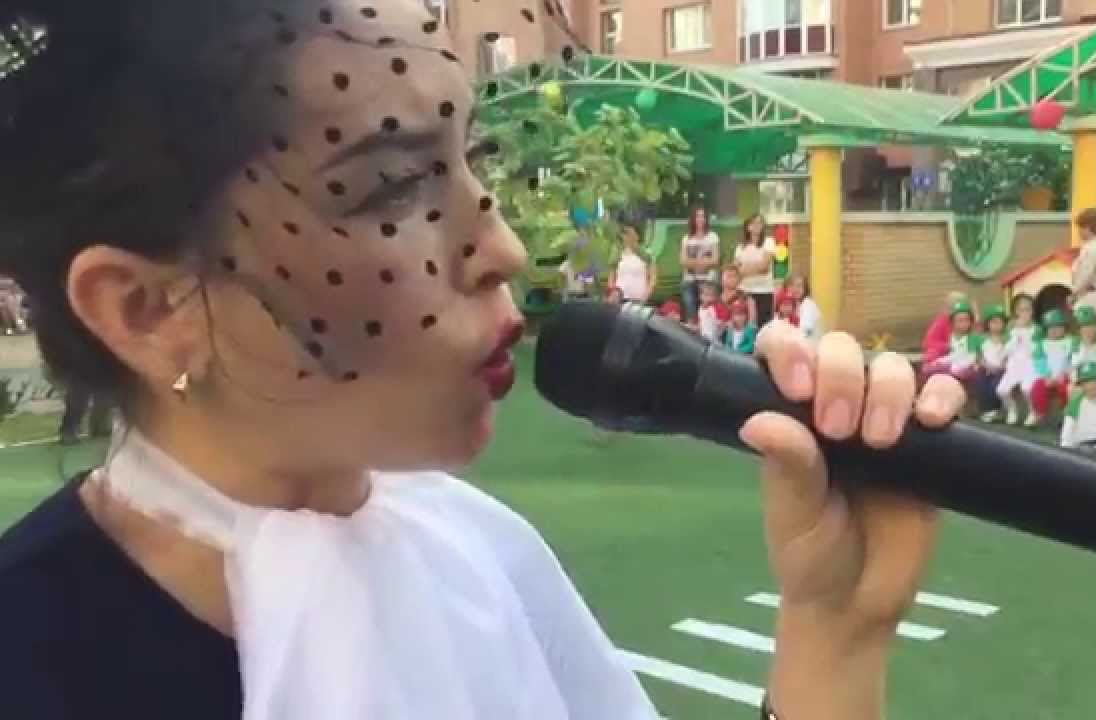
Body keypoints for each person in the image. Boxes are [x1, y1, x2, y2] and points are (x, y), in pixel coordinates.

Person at [0, 3, 970, 719]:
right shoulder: (33, 661)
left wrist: (832, 638)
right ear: (148, 309)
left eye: (475, 161)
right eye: (391, 188)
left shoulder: (471, 552)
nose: (500, 247)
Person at [997, 294, 1040, 426]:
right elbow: (1006, 349)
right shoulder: (1011, 329)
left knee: (1027, 388)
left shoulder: (1037, 329)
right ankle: (1012, 410)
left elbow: (1036, 350)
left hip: (1030, 366)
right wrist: (1016, 334)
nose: (1025, 313)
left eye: (1028, 309)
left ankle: (1033, 412)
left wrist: (1024, 335)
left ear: (1032, 311)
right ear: (1016, 311)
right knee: (1001, 390)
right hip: (1013, 366)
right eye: (1021, 310)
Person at [1027, 310, 1074, 428]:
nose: (1055, 330)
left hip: (1064, 376)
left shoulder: (1070, 342)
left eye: (1058, 327)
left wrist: (1066, 373)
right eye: (1051, 327)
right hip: (1047, 377)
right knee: (1037, 387)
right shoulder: (1042, 344)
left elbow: (1072, 360)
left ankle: (1067, 415)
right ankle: (1039, 413)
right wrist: (1047, 375)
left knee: (1067, 390)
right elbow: (1039, 361)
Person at [679, 205, 720, 322]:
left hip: (708, 279)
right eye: (697, 216)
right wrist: (704, 262)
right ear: (693, 219)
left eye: (703, 216)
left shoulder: (712, 236)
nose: (700, 219)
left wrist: (693, 262)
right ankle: (691, 326)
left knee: (708, 311)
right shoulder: (686, 238)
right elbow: (683, 261)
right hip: (689, 279)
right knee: (689, 306)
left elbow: (715, 260)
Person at [735, 213, 777, 324]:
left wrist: (745, 268)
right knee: (746, 325)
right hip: (744, 292)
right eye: (754, 223)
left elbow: (764, 267)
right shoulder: (740, 247)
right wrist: (756, 267)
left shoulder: (768, 242)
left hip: (764, 292)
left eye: (760, 223)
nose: (757, 225)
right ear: (748, 227)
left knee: (763, 326)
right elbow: (737, 271)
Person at [607, 222, 656, 306]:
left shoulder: (647, 253)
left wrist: (645, 297)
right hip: (619, 299)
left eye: (630, 234)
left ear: (637, 235)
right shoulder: (618, 253)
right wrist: (612, 294)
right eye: (625, 234)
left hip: (638, 299)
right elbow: (611, 277)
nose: (627, 237)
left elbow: (653, 279)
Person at [976, 304, 1008, 424]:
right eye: (994, 322)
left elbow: (1009, 356)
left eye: (1000, 322)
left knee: (996, 383)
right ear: (988, 324)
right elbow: (979, 356)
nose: (997, 325)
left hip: (1002, 369)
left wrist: (1001, 367)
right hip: (987, 368)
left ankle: (996, 410)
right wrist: (985, 365)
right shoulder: (982, 339)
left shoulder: (1006, 339)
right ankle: (986, 410)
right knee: (980, 381)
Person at [922, 290, 969, 365]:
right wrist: (948, 346)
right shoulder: (941, 322)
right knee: (932, 354)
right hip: (945, 355)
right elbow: (928, 343)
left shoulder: (968, 321)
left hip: (963, 355)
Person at [783, 274, 823, 341]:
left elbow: (804, 332)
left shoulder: (808, 305)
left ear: (805, 289)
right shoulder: (793, 305)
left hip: (810, 344)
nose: (795, 289)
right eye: (792, 285)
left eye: (799, 286)